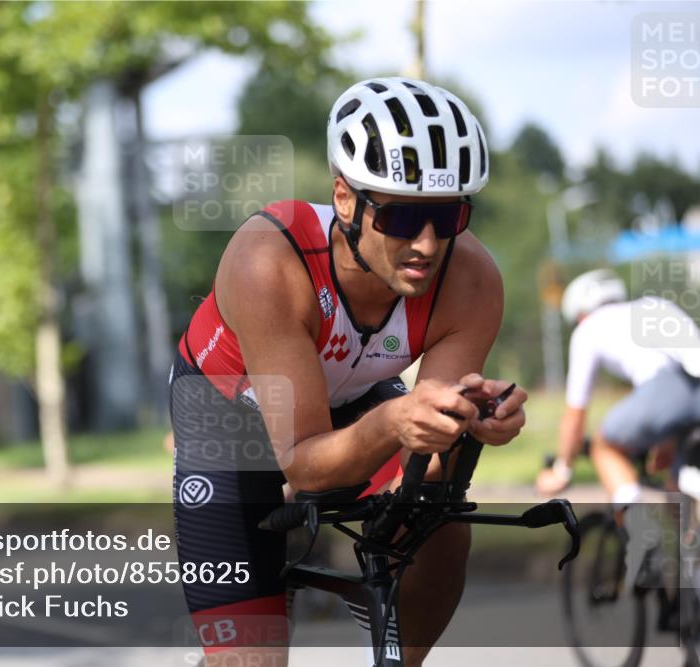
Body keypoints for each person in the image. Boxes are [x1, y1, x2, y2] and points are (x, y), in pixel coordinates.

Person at [170, 77, 528, 667]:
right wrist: (395, 419)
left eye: (448, 214)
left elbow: (430, 453)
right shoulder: (267, 260)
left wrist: (469, 421)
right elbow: (306, 464)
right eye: (402, 216)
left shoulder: (472, 279)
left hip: (351, 399)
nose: (428, 243)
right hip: (226, 418)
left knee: (439, 518)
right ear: (344, 199)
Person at [537, 269, 700, 502]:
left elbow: (576, 413)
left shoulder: (588, 328)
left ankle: (639, 532)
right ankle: (688, 536)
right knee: (677, 481)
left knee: (605, 448)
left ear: (580, 313)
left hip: (665, 390)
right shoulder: (653, 304)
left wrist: (562, 470)